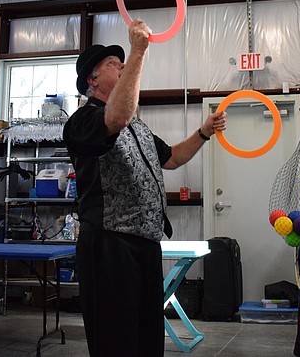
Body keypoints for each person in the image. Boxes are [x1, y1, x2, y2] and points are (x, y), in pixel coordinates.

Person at [63, 18, 227, 356]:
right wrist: (138, 50)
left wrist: (204, 132)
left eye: (122, 60)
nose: (121, 65)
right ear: (92, 80)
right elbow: (117, 117)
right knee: (117, 341)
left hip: (144, 243)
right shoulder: (83, 120)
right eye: (112, 63)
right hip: (109, 245)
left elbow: (172, 158)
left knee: (147, 338)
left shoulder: (138, 126)